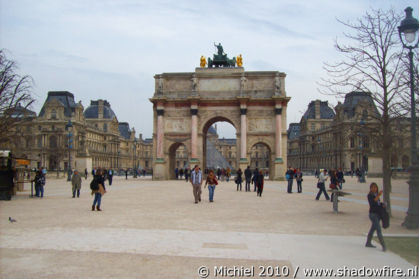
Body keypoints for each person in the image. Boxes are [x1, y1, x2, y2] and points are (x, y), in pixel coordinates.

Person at [365, 182, 386, 251]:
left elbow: (378, 203)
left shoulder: (376, 195)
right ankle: (383, 246)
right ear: (370, 188)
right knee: (378, 230)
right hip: (373, 215)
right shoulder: (370, 195)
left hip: (377, 214)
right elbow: (373, 203)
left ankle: (368, 242)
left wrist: (382, 204)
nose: (374, 189)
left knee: (373, 229)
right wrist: (378, 195)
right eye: (373, 187)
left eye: (375, 187)